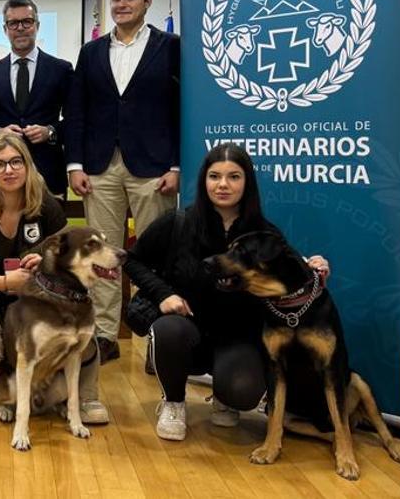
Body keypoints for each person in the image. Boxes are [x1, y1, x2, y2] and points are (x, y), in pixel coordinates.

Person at [125, 142, 330, 441]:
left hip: (238, 335)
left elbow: (292, 270)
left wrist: (315, 264)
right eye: (214, 176)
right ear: (203, 180)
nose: (223, 185)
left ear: (247, 183)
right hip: (186, 329)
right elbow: (132, 259)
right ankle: (173, 402)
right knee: (168, 330)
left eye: (234, 176)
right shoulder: (179, 221)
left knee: (243, 392)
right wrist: (162, 294)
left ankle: (225, 397)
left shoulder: (264, 232)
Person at [0, 134, 108, 423]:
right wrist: (4, 282)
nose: (8, 170)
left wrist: (46, 261)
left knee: (81, 326)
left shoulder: (45, 205)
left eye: (16, 162)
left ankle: (86, 396)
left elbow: (67, 254)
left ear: (27, 165)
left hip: (35, 301)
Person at [65, 0, 182, 363]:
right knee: (101, 255)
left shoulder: (172, 48)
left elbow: (183, 109)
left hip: (155, 169)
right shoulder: (91, 52)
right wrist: (75, 164)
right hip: (99, 167)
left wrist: (178, 164)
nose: (121, 4)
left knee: (155, 257)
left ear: (147, 2)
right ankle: (103, 337)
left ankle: (158, 339)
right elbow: (77, 110)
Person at [0, 0, 73, 197]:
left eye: (27, 22)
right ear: (5, 29)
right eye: (13, 23)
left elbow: (76, 119)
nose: (20, 28)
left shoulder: (61, 69)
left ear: (37, 25)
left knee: (51, 229)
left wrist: (50, 131)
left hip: (48, 173)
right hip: (5, 174)